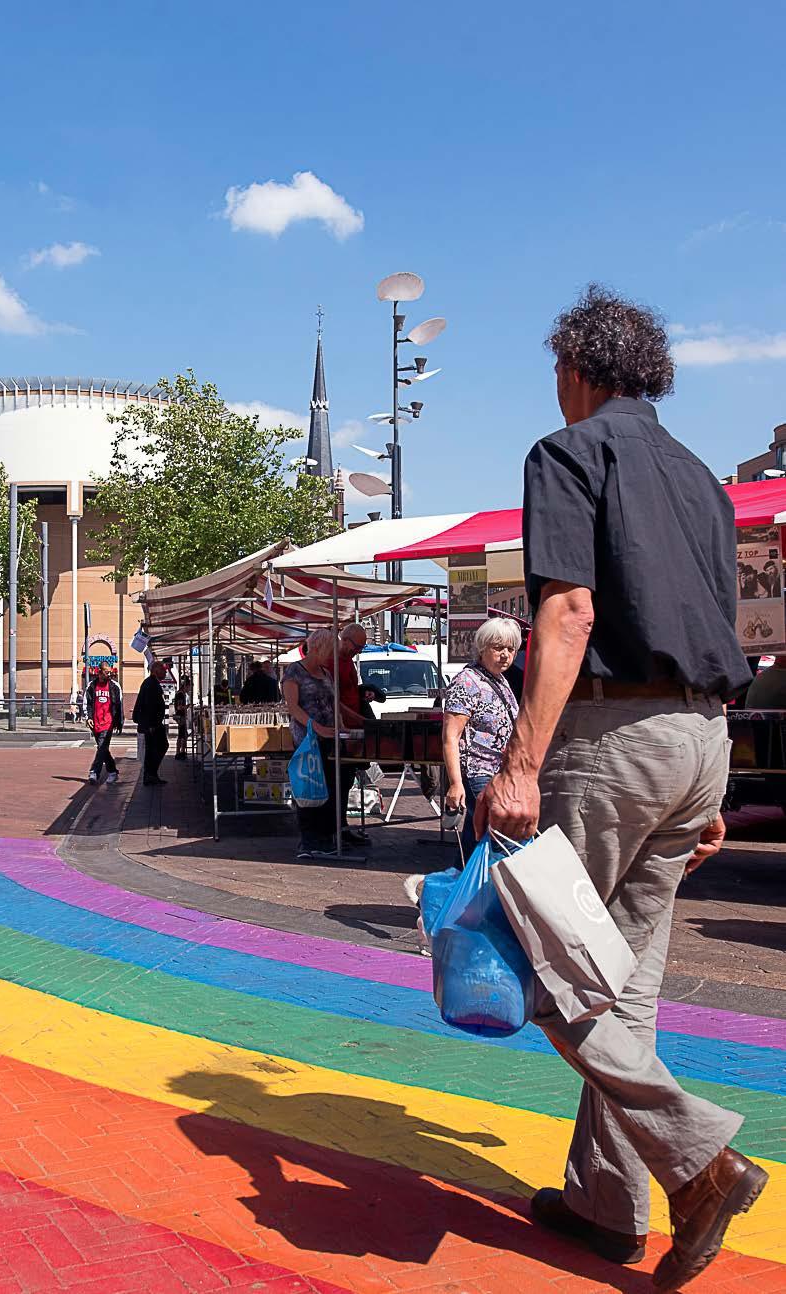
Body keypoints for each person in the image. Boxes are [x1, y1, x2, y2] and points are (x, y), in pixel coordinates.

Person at [477, 285, 766, 1291]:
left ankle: (698, 1162)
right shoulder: (703, 481)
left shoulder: (569, 452)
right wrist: (703, 774)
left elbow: (567, 613)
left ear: (578, 369)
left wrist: (519, 762)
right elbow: (717, 621)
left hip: (611, 734)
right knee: (626, 985)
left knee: (545, 969)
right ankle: (607, 1203)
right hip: (701, 737)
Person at [442, 618, 521, 860]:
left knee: (475, 836)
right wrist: (456, 784)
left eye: (510, 649)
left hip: (499, 771)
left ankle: (457, 887)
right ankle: (465, 885)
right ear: (483, 647)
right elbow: (450, 736)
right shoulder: (467, 682)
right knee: (490, 830)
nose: (505, 655)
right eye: (498, 648)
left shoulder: (500, 680)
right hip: (478, 770)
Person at [282, 628, 354, 860]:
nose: (332, 657)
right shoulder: (294, 671)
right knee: (310, 790)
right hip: (307, 741)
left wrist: (341, 726)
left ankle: (326, 838)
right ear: (320, 648)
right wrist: (316, 727)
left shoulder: (326, 673)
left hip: (331, 739)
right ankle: (309, 840)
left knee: (331, 789)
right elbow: (293, 707)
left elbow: (334, 703)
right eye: (330, 652)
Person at [337, 625, 373, 846]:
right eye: (357, 646)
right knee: (341, 780)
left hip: (352, 727)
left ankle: (342, 827)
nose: (358, 651)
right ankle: (338, 828)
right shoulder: (333, 662)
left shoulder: (347, 662)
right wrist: (357, 718)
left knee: (348, 778)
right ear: (346, 639)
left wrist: (363, 694)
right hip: (343, 729)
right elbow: (335, 698)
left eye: (361, 647)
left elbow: (349, 692)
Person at [84, 663, 123, 785]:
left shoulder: (114, 686)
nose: (109, 674)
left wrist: (119, 721)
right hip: (95, 723)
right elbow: (88, 703)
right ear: (99, 672)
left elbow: (119, 705)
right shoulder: (91, 686)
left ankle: (94, 772)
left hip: (108, 723)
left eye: (110, 672)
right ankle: (112, 772)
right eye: (106, 672)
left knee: (101, 747)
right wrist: (88, 717)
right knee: (103, 748)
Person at [133, 660, 169, 786]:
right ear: (155, 671)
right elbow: (148, 706)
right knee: (158, 747)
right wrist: (151, 725)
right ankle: (150, 775)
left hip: (152, 724)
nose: (165, 672)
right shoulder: (151, 684)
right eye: (163, 670)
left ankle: (151, 774)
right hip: (151, 725)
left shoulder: (151, 683)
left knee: (156, 748)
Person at [174, 674, 191, 759]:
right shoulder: (180, 694)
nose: (189, 689)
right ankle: (179, 752)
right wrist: (187, 706)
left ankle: (181, 751)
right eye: (189, 687)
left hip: (181, 716)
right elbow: (179, 707)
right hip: (181, 717)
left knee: (183, 735)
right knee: (182, 735)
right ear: (186, 686)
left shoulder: (181, 694)